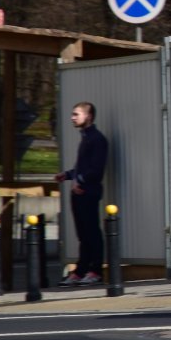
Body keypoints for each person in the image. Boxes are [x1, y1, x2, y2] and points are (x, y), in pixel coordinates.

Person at [53, 102, 108, 286]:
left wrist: (80, 181)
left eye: (76, 114)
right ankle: (81, 270)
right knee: (82, 234)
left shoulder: (97, 139)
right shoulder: (85, 138)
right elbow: (82, 167)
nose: (72, 117)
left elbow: (96, 170)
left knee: (92, 232)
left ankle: (95, 270)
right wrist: (68, 175)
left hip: (89, 192)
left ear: (89, 116)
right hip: (79, 192)